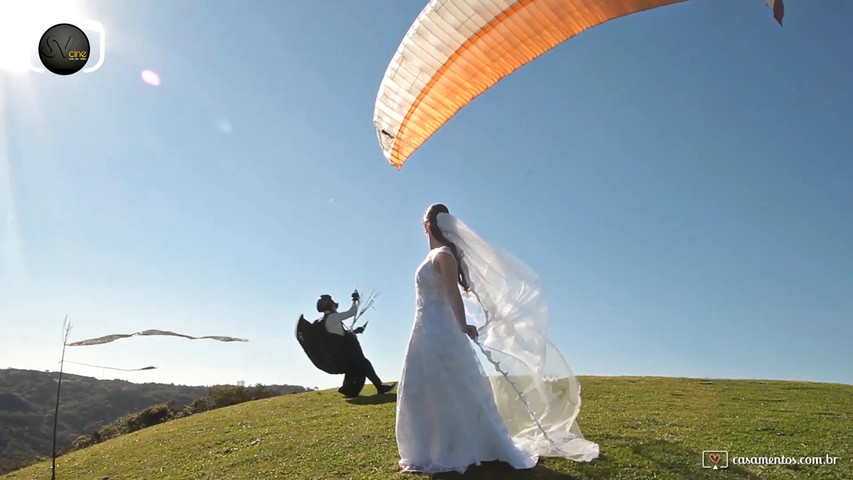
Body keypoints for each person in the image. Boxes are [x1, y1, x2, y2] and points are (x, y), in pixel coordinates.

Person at [395, 203, 598, 475]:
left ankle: (459, 446)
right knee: (422, 387)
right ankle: (427, 448)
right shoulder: (434, 256)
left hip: (441, 330)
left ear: (429, 226)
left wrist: (462, 323)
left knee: (447, 386)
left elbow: (452, 294)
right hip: (423, 328)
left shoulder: (444, 255)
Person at [317, 291, 393, 396]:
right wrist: (354, 300)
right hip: (346, 353)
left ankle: (376, 388)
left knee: (363, 366)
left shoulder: (327, 319)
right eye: (332, 302)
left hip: (343, 353)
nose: (334, 303)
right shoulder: (332, 317)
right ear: (328, 305)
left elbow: (338, 334)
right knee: (364, 365)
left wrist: (355, 331)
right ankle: (379, 388)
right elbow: (351, 312)